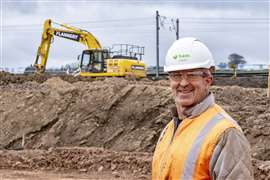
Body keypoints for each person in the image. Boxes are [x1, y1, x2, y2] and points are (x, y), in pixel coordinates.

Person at [152, 37, 253, 180]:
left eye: (192, 75)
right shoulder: (170, 128)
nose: (183, 83)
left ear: (208, 80)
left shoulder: (226, 134)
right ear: (169, 80)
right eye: (176, 75)